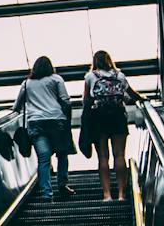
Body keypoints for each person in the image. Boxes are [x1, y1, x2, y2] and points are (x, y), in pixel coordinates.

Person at [80, 50, 143, 201]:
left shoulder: (90, 77)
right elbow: (131, 95)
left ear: (95, 61)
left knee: (103, 157)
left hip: (99, 119)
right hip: (118, 117)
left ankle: (107, 195)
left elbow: (86, 101)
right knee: (120, 155)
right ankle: (121, 194)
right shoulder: (119, 75)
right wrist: (143, 100)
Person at [12, 55, 75, 200]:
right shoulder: (56, 79)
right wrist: (67, 121)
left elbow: (17, 107)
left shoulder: (27, 83)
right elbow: (66, 101)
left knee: (44, 158)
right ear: (50, 67)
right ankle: (62, 185)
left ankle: (47, 193)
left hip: (36, 123)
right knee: (62, 155)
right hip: (56, 122)